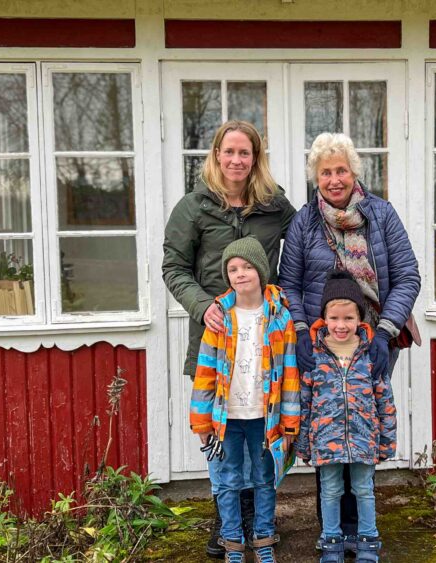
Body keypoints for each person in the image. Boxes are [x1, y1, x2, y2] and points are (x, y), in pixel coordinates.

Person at [279, 132, 420, 548]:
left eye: (341, 170)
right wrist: (301, 331)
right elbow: (289, 284)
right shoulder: (305, 221)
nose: (334, 179)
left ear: (354, 172)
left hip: (374, 340)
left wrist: (386, 331)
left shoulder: (381, 214)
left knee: (361, 423)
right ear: (316, 177)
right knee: (327, 427)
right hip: (323, 345)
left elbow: (408, 276)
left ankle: (361, 528)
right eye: (326, 172)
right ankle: (332, 532)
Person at [163, 120, 296, 558]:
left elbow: (306, 246)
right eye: (229, 151)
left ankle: (258, 524)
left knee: (260, 438)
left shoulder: (275, 206)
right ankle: (227, 526)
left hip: (264, 342)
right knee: (223, 435)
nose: (236, 160)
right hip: (216, 340)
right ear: (217, 155)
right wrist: (202, 306)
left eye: (245, 153)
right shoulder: (193, 208)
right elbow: (174, 267)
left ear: (255, 159)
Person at [189, 237, 301, 563]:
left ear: (261, 271)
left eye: (247, 267)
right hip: (226, 418)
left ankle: (263, 540)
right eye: (233, 269)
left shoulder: (280, 318)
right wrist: (201, 422)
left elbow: (289, 372)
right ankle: (233, 543)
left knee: (264, 479)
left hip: (265, 418)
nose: (240, 274)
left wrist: (290, 422)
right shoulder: (219, 318)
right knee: (228, 481)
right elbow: (205, 372)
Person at [296, 270, 396, 563]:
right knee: (330, 490)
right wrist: (303, 443)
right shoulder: (314, 355)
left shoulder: (370, 354)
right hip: (326, 442)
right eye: (334, 318)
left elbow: (385, 400)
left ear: (360, 319)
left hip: (364, 439)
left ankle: (367, 541)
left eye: (349, 318)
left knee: (364, 489)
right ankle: (331, 541)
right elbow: (305, 402)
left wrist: (387, 440)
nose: (341, 325)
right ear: (324, 318)